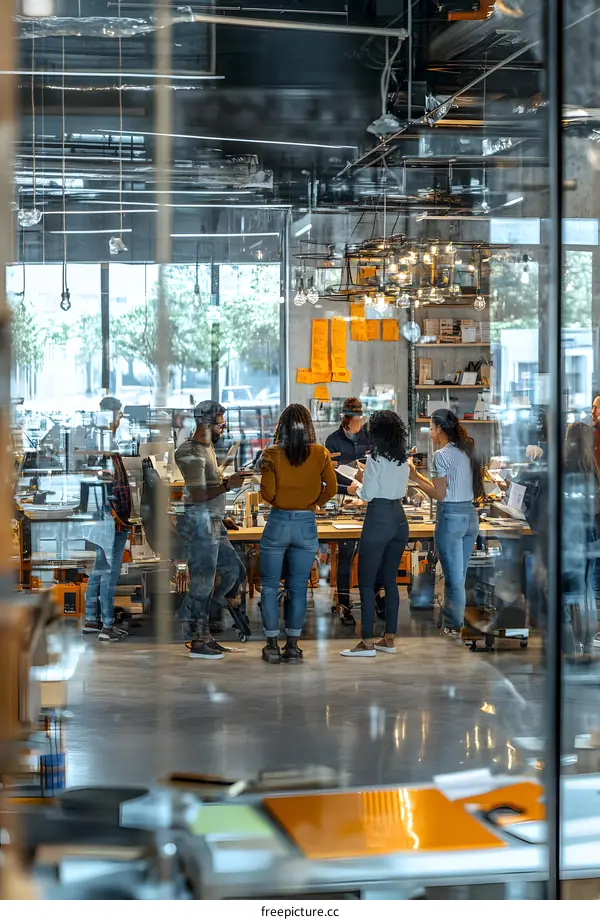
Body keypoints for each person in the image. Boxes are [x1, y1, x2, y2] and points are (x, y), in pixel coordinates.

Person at [259, 404, 337, 663]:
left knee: (270, 586)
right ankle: (293, 646)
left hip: (278, 522)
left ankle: (271, 645)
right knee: (299, 587)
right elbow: (332, 489)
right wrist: (315, 503)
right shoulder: (320, 453)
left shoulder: (270, 454)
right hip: (306, 523)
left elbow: (267, 494)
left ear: (281, 428)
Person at [174, 400, 248, 660]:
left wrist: (222, 515)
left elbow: (208, 489)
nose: (223, 429)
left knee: (234, 572)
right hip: (201, 525)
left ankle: (193, 619)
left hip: (214, 522)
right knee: (203, 584)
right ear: (206, 424)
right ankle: (197, 636)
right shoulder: (190, 452)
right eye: (220, 424)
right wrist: (229, 485)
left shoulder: (207, 449)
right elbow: (196, 493)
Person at [340, 411, 410, 658]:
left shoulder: (375, 459)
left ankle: (367, 642)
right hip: (399, 520)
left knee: (367, 583)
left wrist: (358, 481)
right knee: (390, 581)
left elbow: (367, 495)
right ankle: (389, 639)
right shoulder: (403, 458)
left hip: (378, 518)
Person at [408, 409, 484, 633]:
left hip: (450, 518)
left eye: (431, 428)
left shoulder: (440, 456)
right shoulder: (466, 452)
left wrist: (414, 478)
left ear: (439, 429)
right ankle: (455, 624)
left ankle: (453, 626)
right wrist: (415, 476)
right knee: (458, 576)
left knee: (453, 579)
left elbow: (439, 494)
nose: (430, 433)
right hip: (470, 517)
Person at [84, 396, 132, 642]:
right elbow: (99, 482)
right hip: (109, 519)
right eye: (119, 414)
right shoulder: (101, 440)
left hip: (107, 517)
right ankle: (107, 626)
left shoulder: (101, 438)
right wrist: (114, 513)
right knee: (109, 573)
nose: (120, 418)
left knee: (99, 569)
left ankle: (92, 620)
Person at [325, 397, 371, 626]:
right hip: (343, 500)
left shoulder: (368, 437)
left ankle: (374, 598)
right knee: (346, 554)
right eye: (357, 418)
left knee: (372, 553)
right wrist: (348, 488)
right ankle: (344, 603)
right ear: (346, 419)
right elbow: (328, 476)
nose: (360, 422)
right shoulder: (332, 441)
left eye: (361, 417)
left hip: (368, 500)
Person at [562, 422, 600, 658]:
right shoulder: (593, 469)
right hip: (592, 537)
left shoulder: (566, 467)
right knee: (587, 591)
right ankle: (587, 643)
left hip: (572, 536)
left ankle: (571, 644)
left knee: (567, 592)